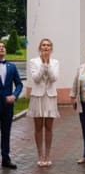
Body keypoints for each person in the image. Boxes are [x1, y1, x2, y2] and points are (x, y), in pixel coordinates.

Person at [27, 38, 60, 167]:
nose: (46, 47)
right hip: (38, 96)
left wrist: (48, 64)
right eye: (43, 45)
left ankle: (48, 155)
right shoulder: (33, 61)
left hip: (50, 96)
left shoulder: (55, 62)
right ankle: (40, 155)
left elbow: (54, 78)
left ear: (51, 48)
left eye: (48, 45)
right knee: (38, 127)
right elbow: (36, 78)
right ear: (40, 48)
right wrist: (42, 64)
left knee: (49, 127)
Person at [0, 41, 23, 169]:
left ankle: (5, 158)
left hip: (7, 106)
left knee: (6, 132)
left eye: (3, 47)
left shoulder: (12, 67)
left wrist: (14, 95)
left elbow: (19, 84)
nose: (2, 49)